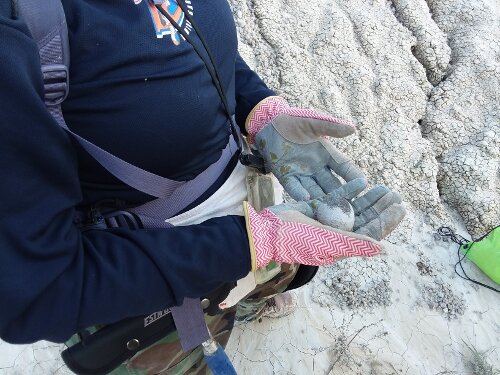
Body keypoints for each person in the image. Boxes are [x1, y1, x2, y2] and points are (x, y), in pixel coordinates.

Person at [0, 0, 406, 373]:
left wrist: (258, 108)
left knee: (277, 274)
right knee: (187, 355)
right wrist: (246, 244)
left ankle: (246, 300)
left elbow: (187, 34)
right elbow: (37, 292)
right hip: (160, 248)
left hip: (245, 189)